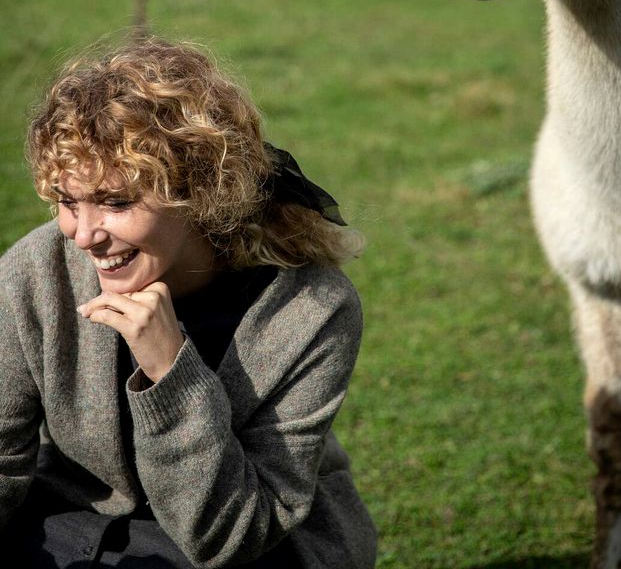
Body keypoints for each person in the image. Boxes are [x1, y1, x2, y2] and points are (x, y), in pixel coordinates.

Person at [0, 38, 376, 568]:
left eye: (116, 202)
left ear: (200, 190)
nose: (83, 236)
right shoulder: (37, 271)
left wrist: (168, 373)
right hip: (72, 520)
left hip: (253, 542)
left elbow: (230, 535)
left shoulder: (312, 310)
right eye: (67, 201)